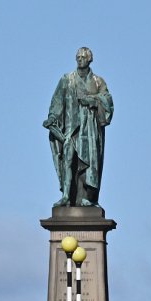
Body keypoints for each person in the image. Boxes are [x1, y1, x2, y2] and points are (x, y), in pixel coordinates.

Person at [43, 47, 114, 207]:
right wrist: (52, 117)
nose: (79, 59)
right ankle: (66, 196)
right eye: (78, 57)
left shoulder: (98, 81)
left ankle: (89, 197)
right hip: (71, 127)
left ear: (89, 59)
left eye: (82, 57)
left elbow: (107, 101)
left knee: (90, 163)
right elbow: (57, 101)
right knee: (67, 159)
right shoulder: (67, 79)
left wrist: (93, 100)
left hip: (90, 130)